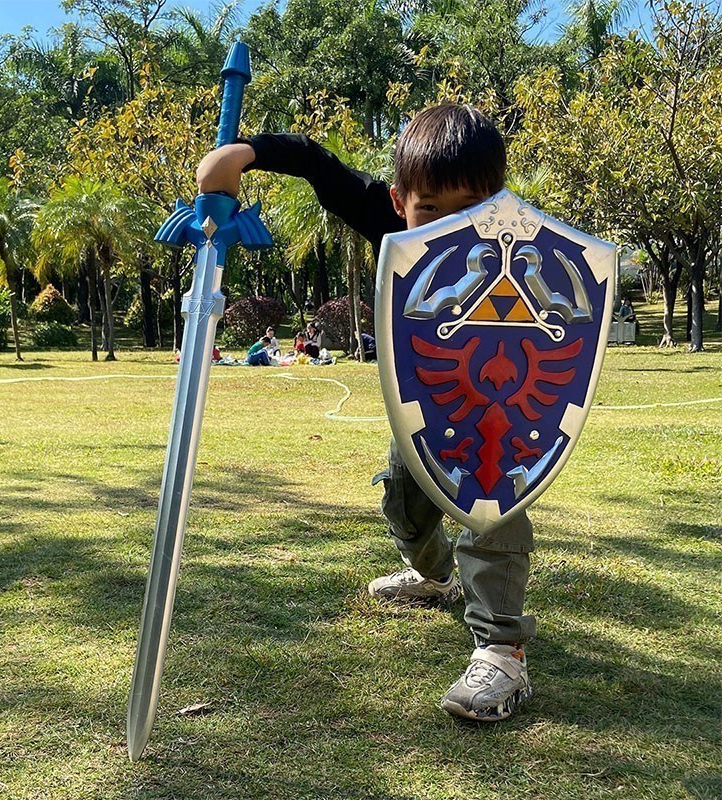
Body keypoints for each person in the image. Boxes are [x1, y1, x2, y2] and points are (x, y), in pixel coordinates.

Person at [197, 103, 534, 722]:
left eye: (469, 208)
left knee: (492, 509)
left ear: (496, 201)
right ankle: (434, 578)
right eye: (430, 208)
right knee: (404, 510)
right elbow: (317, 164)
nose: (447, 224)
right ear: (401, 200)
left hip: (500, 415)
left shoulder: (522, 249)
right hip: (425, 416)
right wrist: (243, 152)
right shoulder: (391, 223)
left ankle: (501, 648)